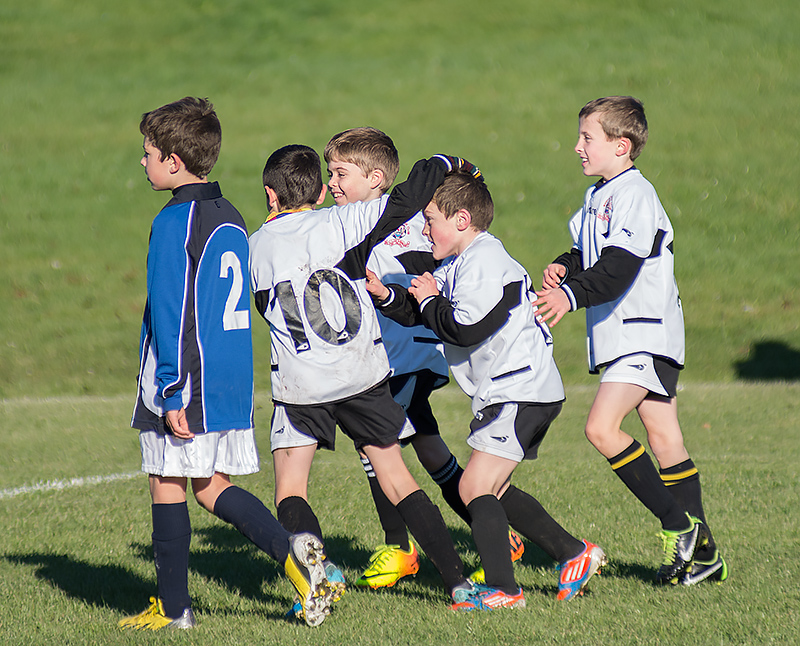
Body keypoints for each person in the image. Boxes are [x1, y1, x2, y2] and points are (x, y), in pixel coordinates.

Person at [122, 97, 336, 631]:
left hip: (183, 379)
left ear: (174, 161)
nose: (142, 162)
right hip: (227, 379)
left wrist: (171, 390)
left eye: (147, 153)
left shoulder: (174, 222)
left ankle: (174, 612)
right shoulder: (232, 215)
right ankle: (294, 559)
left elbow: (172, 313)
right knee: (211, 485)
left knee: (166, 481)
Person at [366, 164, 606, 610]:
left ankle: (504, 588)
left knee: (474, 486)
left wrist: (429, 298)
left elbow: (464, 328)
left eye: (431, 218)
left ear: (461, 220)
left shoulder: (483, 260)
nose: (424, 227)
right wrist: (390, 298)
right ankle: (573, 553)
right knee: (490, 489)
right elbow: (430, 317)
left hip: (519, 389)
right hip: (519, 389)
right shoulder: (463, 261)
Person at [248, 145, 476, 605]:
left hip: (301, 383)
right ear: (318, 190)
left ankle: (319, 576)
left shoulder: (256, 245)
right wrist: (448, 163)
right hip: (361, 375)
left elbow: (263, 307)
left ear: (271, 194)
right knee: (398, 477)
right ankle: (459, 585)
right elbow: (408, 197)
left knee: (291, 488)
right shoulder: (342, 222)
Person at [533, 96, 726, 586]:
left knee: (601, 428)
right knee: (664, 439)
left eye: (587, 139)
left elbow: (619, 267)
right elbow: (589, 252)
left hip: (643, 333)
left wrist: (570, 296)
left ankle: (680, 527)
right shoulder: (599, 195)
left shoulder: (635, 194)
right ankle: (704, 559)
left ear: (622, 146)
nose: (577, 147)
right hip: (633, 336)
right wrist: (565, 265)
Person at [323, 127, 523, 588]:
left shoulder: (401, 211)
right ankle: (493, 531)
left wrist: (462, 166)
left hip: (407, 351)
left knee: (376, 445)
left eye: (341, 173)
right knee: (426, 445)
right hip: (389, 354)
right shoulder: (346, 224)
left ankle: (401, 549)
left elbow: (433, 168)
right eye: (330, 173)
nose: (332, 182)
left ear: (376, 179)